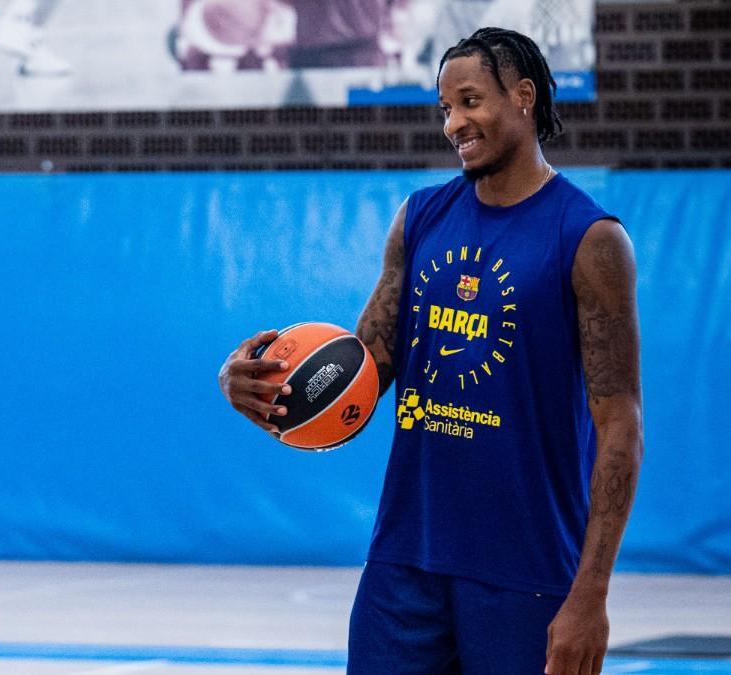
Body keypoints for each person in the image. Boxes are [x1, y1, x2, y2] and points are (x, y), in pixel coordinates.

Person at [219, 27, 642, 675]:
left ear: (523, 96)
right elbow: (361, 369)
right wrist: (257, 386)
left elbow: (620, 426)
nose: (454, 123)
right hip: (405, 563)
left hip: (526, 571)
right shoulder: (419, 219)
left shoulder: (589, 238)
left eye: (470, 101)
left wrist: (591, 594)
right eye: (446, 107)